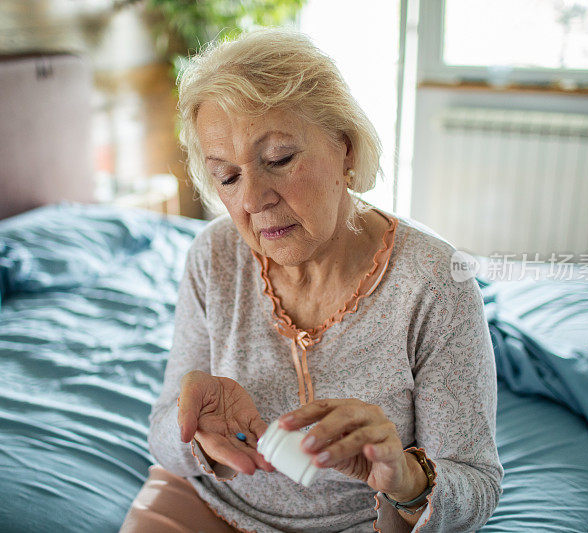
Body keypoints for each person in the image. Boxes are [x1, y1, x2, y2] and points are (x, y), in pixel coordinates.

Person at [120, 28, 503, 533]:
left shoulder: (435, 283)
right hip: (209, 505)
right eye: (228, 177)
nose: (254, 200)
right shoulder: (213, 256)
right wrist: (194, 435)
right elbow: (164, 438)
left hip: (359, 522)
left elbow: (477, 486)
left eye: (278, 159)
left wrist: (406, 476)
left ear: (344, 149)